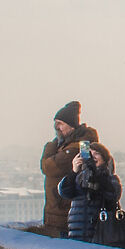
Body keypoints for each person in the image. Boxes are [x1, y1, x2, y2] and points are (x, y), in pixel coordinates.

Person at [40, 101, 98, 238]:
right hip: (59, 211)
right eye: (56, 124)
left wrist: (50, 146)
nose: (57, 128)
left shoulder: (79, 146)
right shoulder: (66, 144)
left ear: (71, 126)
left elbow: (48, 167)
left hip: (67, 213)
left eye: (60, 124)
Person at [57, 141, 123, 244]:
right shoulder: (79, 177)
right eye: (89, 154)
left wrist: (96, 174)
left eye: (96, 153)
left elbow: (112, 195)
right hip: (77, 232)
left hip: (101, 231)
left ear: (105, 158)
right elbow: (64, 192)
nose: (93, 157)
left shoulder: (110, 178)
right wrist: (74, 171)